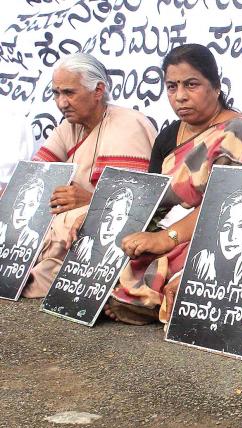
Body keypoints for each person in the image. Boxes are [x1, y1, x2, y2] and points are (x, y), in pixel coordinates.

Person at [105, 43, 242, 325]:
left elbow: (229, 207)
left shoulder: (240, 132)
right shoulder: (169, 135)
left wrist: (164, 238)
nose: (180, 96)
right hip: (166, 226)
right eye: (171, 87)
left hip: (212, 229)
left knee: (197, 260)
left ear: (216, 86)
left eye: (191, 85)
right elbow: (153, 198)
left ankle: (145, 295)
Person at [22, 53, 155, 298]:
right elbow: (37, 176)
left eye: (69, 93)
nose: (61, 103)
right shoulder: (69, 125)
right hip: (73, 219)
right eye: (56, 93)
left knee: (72, 220)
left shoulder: (128, 125)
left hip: (107, 223)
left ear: (98, 90)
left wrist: (90, 201)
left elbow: (136, 204)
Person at [189, 188, 242, 288]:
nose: (232, 237)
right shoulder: (201, 260)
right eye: (227, 226)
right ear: (218, 228)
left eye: (241, 226)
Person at [72, 187, 132, 270]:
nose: (110, 227)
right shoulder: (83, 244)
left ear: (125, 221)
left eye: (119, 219)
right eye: (107, 218)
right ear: (100, 216)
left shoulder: (118, 257)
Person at [0, 177, 44, 250]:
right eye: (19, 205)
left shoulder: (32, 238)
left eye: (31, 205)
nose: (23, 213)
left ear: (37, 207)